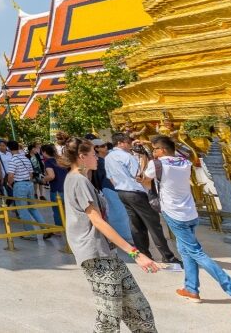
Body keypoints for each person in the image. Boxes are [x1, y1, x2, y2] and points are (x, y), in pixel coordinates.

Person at [143, 135, 231, 313]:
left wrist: (145, 157)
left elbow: (144, 180)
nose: (154, 152)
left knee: (196, 253)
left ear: (161, 150)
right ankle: (191, 289)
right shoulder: (185, 162)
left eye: (155, 149)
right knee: (185, 251)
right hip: (190, 212)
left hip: (174, 214)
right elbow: (184, 152)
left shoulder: (156, 164)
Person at [62, 137, 159, 331]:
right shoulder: (78, 181)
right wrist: (135, 253)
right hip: (95, 255)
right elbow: (97, 221)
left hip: (106, 252)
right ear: (82, 157)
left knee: (139, 309)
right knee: (109, 317)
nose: (97, 158)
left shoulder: (81, 179)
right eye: (93, 154)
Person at [106, 133, 179, 264]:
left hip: (122, 192)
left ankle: (144, 255)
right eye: (128, 142)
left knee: (136, 225)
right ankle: (168, 257)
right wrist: (143, 158)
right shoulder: (127, 156)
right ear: (121, 143)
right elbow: (140, 176)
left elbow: (110, 177)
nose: (130, 145)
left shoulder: (108, 157)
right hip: (136, 192)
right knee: (153, 224)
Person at [92, 138, 133, 248]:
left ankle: (123, 236)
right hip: (108, 187)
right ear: (96, 148)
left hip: (115, 187)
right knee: (117, 212)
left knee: (120, 212)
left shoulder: (107, 159)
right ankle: (121, 237)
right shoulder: (98, 161)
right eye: (103, 145)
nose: (106, 147)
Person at [5, 141, 47, 241]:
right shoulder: (25, 158)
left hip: (19, 185)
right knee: (32, 208)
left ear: (9, 149)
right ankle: (45, 229)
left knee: (22, 209)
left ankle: (31, 233)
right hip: (29, 184)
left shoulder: (12, 160)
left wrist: (9, 183)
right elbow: (31, 173)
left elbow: (11, 175)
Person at [41, 143, 68, 229]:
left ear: (45, 152)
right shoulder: (61, 160)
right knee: (67, 211)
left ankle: (58, 229)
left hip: (56, 190)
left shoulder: (48, 162)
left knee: (57, 211)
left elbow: (51, 176)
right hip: (66, 188)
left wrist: (43, 179)